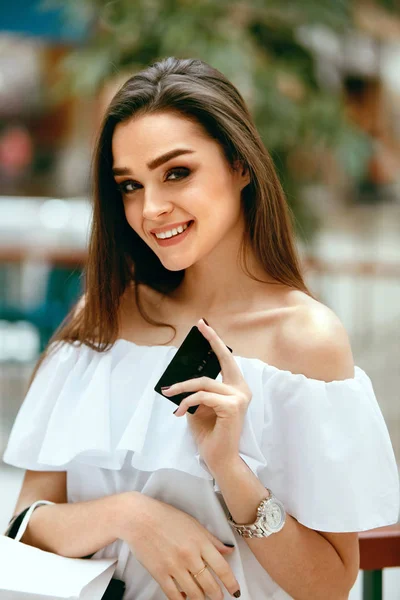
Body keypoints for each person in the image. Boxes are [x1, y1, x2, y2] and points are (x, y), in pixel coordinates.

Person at [3, 57, 399, 600]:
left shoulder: (304, 340)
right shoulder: (101, 317)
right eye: (129, 186)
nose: (152, 208)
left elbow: (329, 585)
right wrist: (132, 517)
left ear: (240, 165)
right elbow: (26, 522)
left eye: (176, 172)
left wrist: (230, 472)